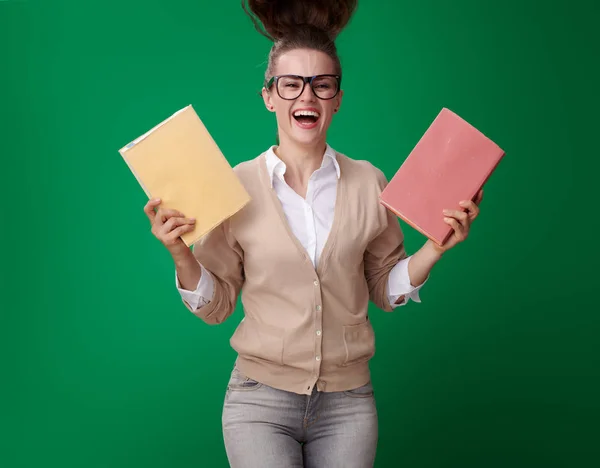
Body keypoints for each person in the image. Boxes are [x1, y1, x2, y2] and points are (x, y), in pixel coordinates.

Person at [143, 0, 484, 466]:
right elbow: (218, 305)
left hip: (348, 405)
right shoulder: (235, 186)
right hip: (258, 401)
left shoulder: (370, 181)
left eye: (321, 85)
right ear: (269, 95)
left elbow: (384, 287)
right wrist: (180, 254)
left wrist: (433, 249)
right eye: (291, 84)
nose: (306, 97)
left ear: (337, 97)